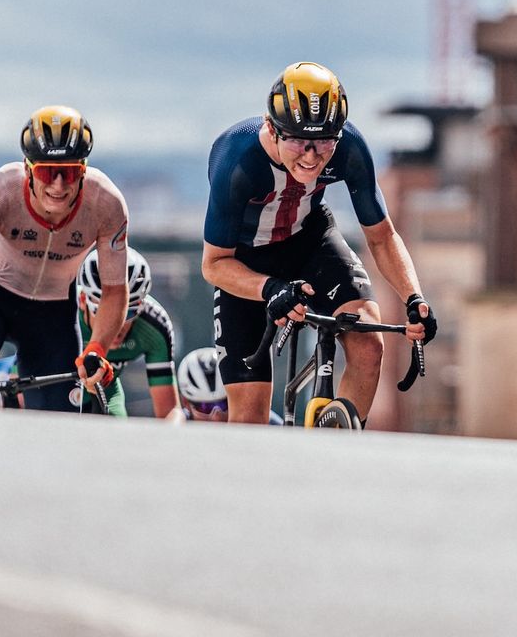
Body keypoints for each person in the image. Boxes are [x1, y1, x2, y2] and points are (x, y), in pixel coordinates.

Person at [201, 61, 437, 425]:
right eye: (298, 141)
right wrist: (270, 288)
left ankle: (340, 439)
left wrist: (413, 297)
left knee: (369, 342)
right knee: (248, 417)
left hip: (309, 239)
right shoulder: (237, 158)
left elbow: (382, 236)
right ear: (271, 128)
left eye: (324, 141)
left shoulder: (350, 147)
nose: (311, 156)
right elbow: (213, 264)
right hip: (245, 262)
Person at [0, 105, 130, 411]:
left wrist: (97, 348)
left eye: (70, 172)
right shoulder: (0, 193)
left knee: (59, 422)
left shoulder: (106, 203)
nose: (58, 184)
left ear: (84, 171)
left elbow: (115, 289)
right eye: (48, 172)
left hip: (52, 315)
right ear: (27, 169)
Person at [76, 247, 178, 418]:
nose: (118, 322)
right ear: (82, 301)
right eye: (101, 310)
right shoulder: (63, 311)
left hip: (107, 393)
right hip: (59, 390)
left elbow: (169, 412)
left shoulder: (154, 325)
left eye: (129, 312)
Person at [174, 347, 283, 424]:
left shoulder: (263, 420)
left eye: (224, 404)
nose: (216, 418)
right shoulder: (175, 426)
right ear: (186, 403)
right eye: (205, 408)